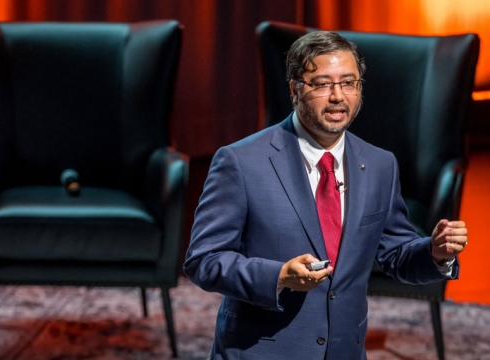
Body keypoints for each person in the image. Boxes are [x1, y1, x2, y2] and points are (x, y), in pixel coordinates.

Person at [183, 30, 468, 360]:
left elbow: (396, 253)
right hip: (261, 351)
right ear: (295, 90)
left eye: (349, 83)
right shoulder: (240, 162)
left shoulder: (379, 164)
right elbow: (203, 260)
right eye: (322, 84)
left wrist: (435, 252)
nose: (337, 96)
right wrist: (277, 277)